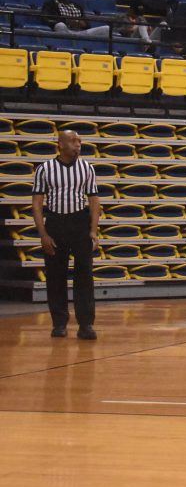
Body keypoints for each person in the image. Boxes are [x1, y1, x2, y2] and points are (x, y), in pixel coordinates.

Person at [31, 130, 99, 340]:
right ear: (60, 144)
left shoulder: (87, 168)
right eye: (72, 141)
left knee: (85, 275)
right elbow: (37, 203)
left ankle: (86, 324)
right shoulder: (45, 169)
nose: (77, 144)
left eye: (79, 141)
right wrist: (43, 233)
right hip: (56, 223)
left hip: (79, 222)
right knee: (55, 275)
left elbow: (94, 200)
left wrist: (93, 231)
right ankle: (59, 323)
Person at [41, 0, 110, 38]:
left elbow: (87, 24)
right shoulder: (50, 4)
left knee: (107, 29)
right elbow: (46, 19)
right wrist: (67, 21)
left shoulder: (77, 6)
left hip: (80, 32)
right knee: (60, 25)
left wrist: (83, 24)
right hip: (66, 30)